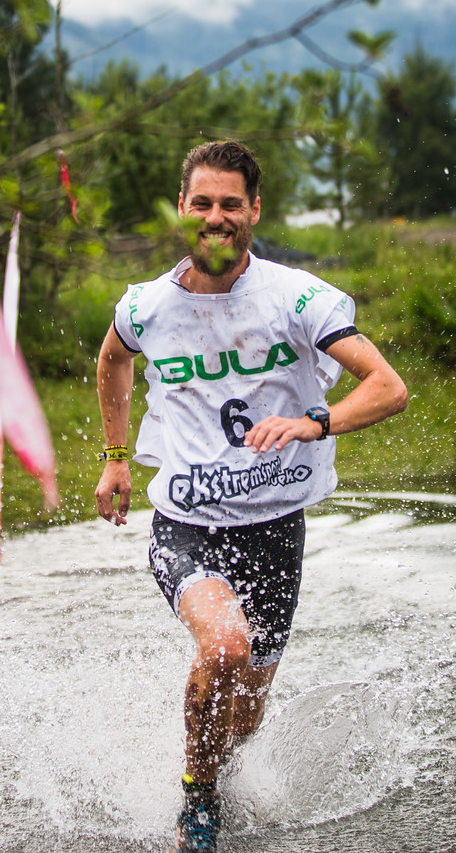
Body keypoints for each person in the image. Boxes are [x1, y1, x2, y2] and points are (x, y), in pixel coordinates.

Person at [92, 141, 408, 852]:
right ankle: (196, 807)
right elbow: (112, 359)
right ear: (182, 209)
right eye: (201, 202)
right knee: (225, 644)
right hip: (187, 525)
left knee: (244, 716)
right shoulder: (146, 305)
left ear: (254, 210)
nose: (215, 216)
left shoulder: (296, 298)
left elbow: (388, 386)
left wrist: (313, 420)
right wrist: (116, 459)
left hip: (275, 529)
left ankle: (215, 777)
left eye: (230, 203)